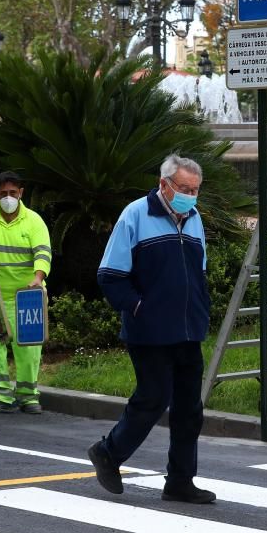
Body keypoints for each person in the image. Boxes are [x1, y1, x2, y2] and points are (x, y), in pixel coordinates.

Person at [87, 154, 215, 504]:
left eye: (195, 190)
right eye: (185, 189)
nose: (191, 196)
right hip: (149, 331)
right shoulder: (134, 215)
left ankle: (180, 481)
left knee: (190, 409)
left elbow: (198, 273)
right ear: (164, 185)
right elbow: (110, 275)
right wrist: (141, 307)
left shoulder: (194, 218)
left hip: (188, 330)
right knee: (152, 399)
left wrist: (201, 312)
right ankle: (108, 453)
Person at [0, 171, 52, 414]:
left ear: (21, 193)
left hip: (27, 295)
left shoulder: (34, 221)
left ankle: (28, 396)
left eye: (12, 193)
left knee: (29, 345)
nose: (8, 198)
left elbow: (43, 254)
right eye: (3, 193)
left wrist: (38, 279)